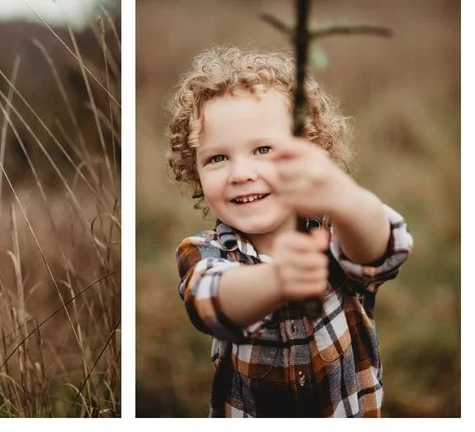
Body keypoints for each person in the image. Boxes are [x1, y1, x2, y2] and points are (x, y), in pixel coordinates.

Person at [168, 46, 413, 417]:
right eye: (217, 158)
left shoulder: (333, 232)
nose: (240, 173)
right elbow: (208, 303)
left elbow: (383, 250)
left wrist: (344, 197)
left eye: (263, 149)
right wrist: (277, 279)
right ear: (195, 170)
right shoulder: (206, 251)